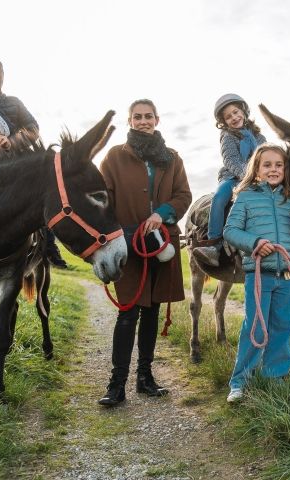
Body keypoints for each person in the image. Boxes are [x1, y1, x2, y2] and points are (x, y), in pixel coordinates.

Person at [98, 99, 192, 406]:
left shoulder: (173, 158)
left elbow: (183, 195)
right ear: (130, 121)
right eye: (137, 117)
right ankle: (116, 385)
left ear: (157, 119)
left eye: (148, 116)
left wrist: (162, 213)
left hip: (162, 243)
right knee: (128, 312)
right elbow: (103, 200)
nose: (143, 121)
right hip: (128, 244)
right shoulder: (114, 157)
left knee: (151, 310)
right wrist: (111, 237)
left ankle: (145, 379)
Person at [223, 143, 290, 403]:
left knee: (283, 327)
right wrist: (254, 243)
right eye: (267, 165)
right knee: (256, 326)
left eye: (279, 165)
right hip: (259, 274)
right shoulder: (246, 197)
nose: (273, 169)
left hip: (287, 274)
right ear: (257, 169)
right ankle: (240, 381)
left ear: (285, 169)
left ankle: (275, 376)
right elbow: (231, 231)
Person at [0, 51, 67, 268]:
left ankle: (49, 246)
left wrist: (10, 142)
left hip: (16, 163)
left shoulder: (13, 102)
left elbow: (33, 129)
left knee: (41, 191)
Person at [193, 93, 266, 267]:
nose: (234, 117)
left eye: (235, 112)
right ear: (223, 122)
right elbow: (231, 160)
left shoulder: (260, 138)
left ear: (243, 111)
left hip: (260, 179)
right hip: (233, 177)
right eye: (228, 117)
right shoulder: (227, 136)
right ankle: (214, 245)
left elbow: (267, 158)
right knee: (219, 198)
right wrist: (248, 176)